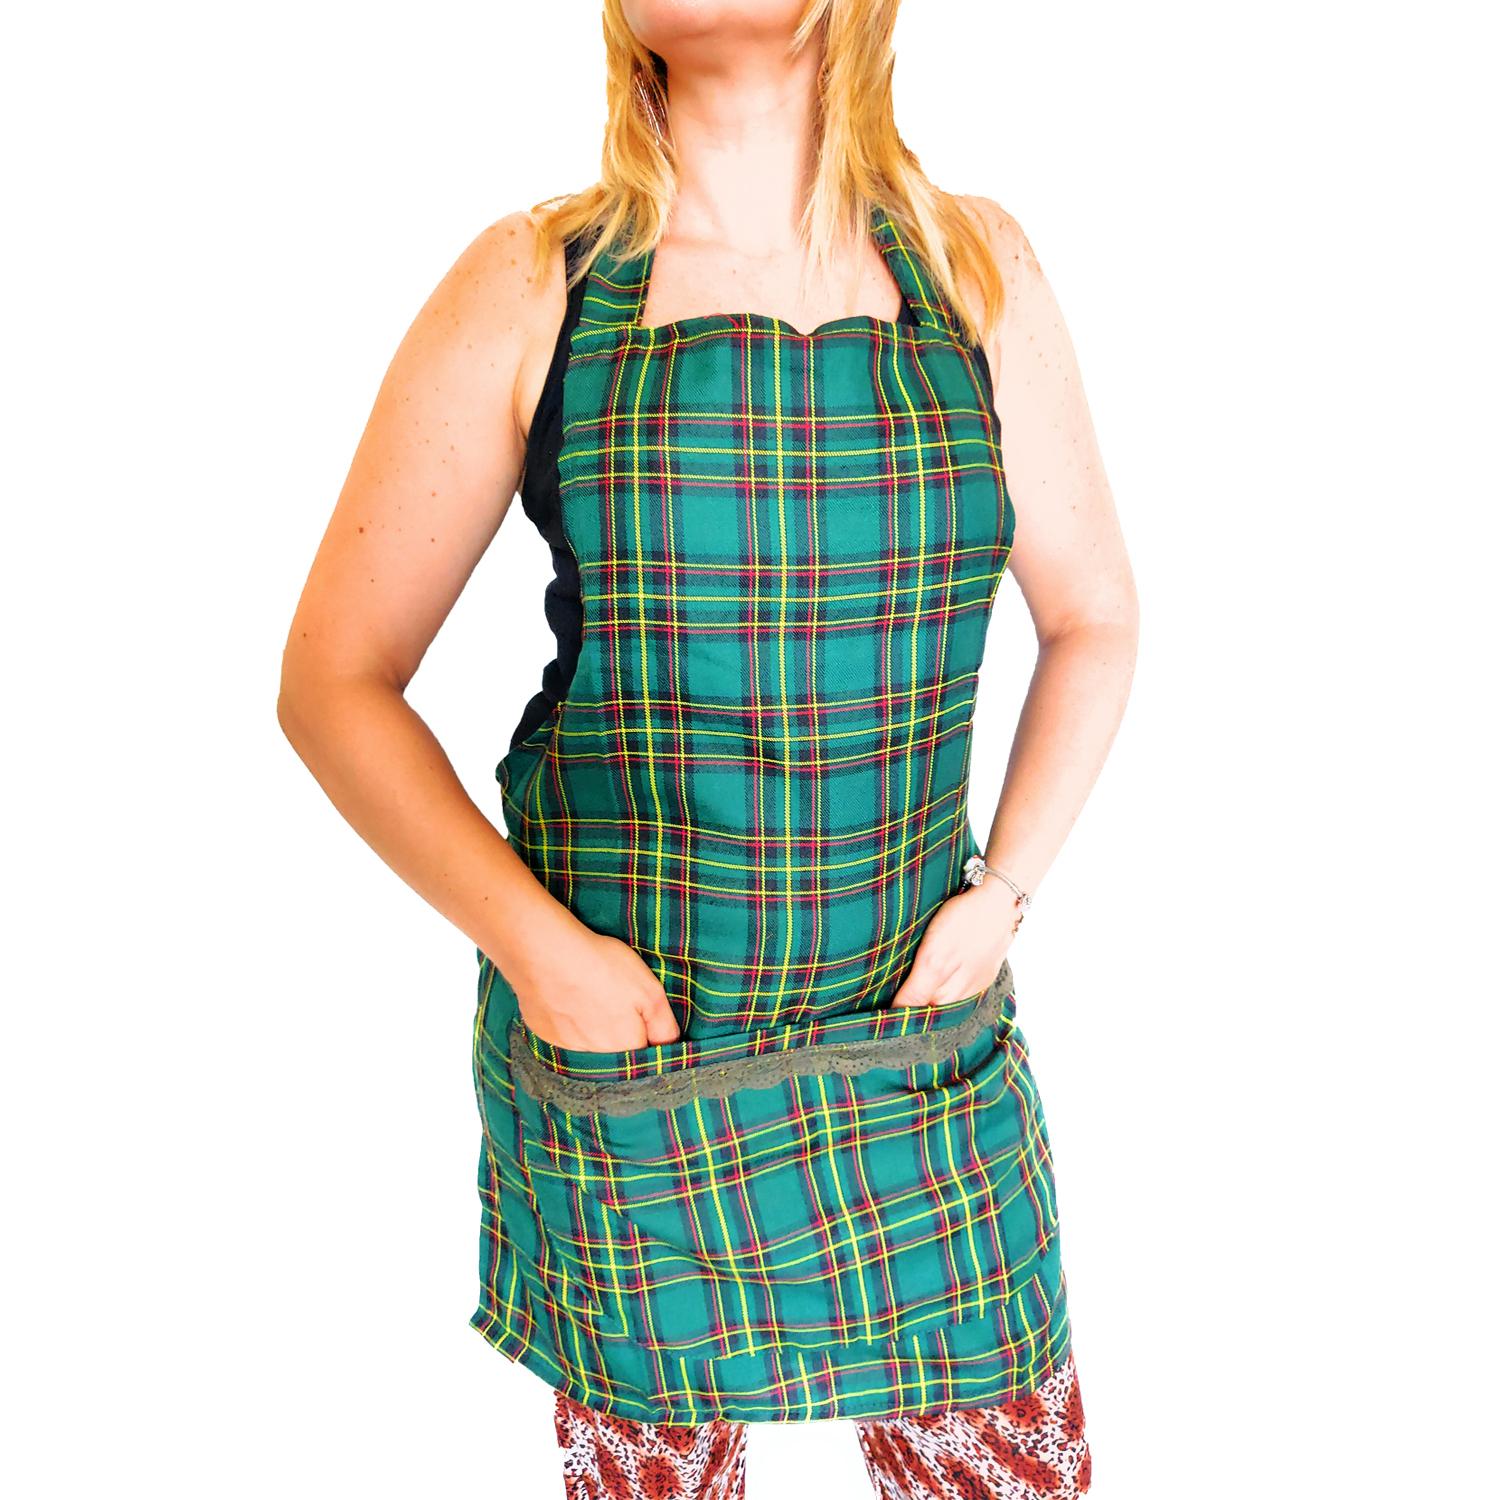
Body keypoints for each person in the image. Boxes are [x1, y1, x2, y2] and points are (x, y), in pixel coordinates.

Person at [277, 2, 1137, 1495]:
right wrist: (540, 953)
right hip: (636, 1064)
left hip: (917, 1052)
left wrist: (1004, 896)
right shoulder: (535, 287)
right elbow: (334, 682)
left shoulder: (972, 270)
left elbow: (1096, 619)